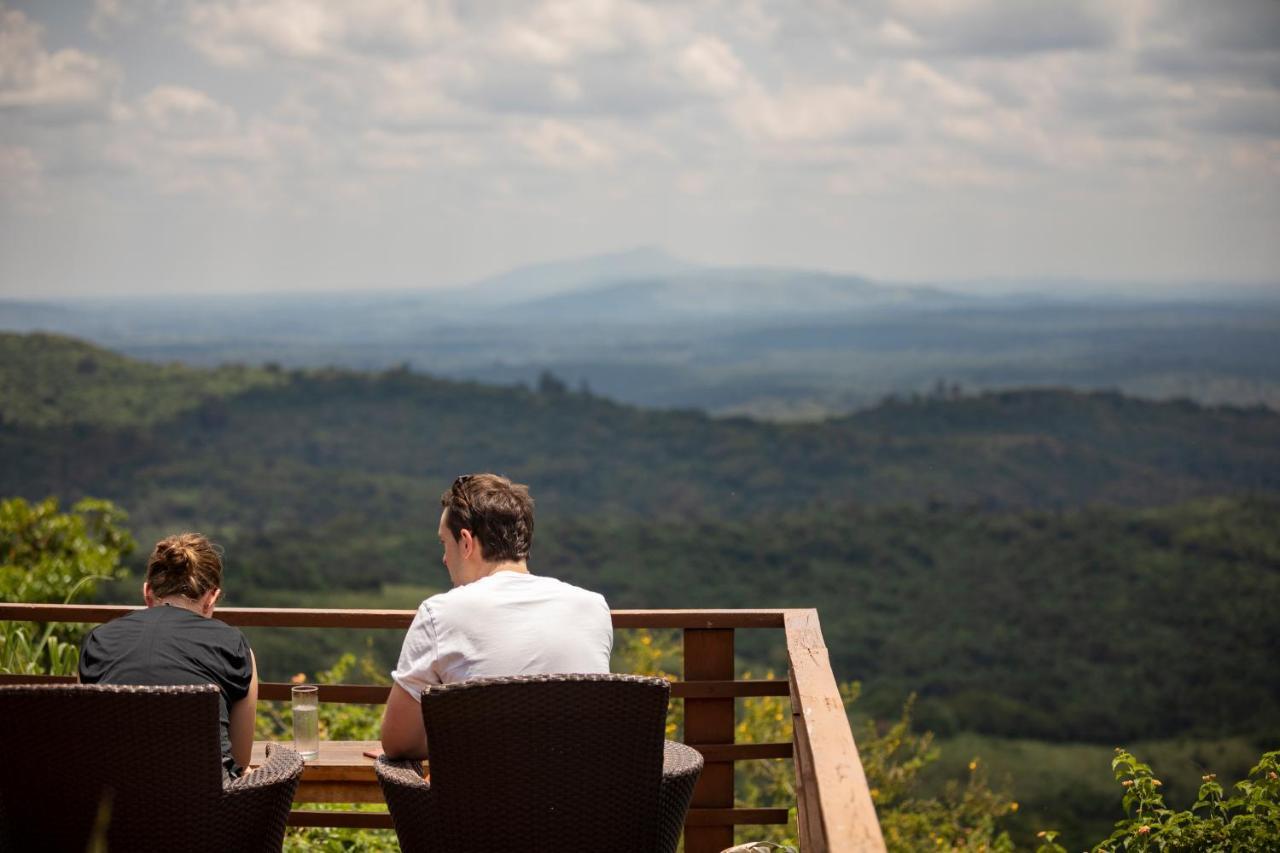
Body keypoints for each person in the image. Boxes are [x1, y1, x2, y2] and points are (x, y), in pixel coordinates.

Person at [380, 473, 613, 759]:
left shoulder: (439, 614)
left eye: (444, 544)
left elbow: (398, 742)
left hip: (482, 801)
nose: (444, 559)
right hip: (589, 800)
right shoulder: (593, 607)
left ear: (465, 542)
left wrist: (464, 742)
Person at [78, 533, 259, 780]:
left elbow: (85, 742)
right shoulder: (235, 646)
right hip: (206, 812)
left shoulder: (97, 642)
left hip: (113, 809)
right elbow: (239, 758)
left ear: (147, 593)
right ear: (211, 600)